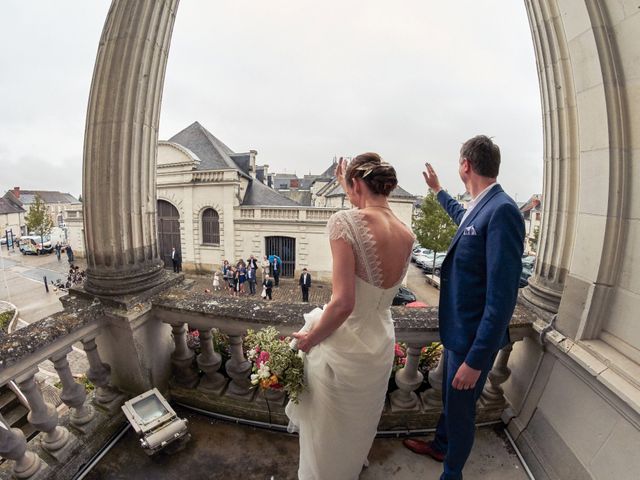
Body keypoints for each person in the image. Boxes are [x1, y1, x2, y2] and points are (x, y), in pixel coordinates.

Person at [403, 135, 525, 480]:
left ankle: (451, 473)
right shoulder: (482, 205)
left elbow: (502, 298)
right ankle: (441, 446)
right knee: (453, 405)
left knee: (461, 414)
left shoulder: (503, 211)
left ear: (466, 165)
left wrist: (475, 359)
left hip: (473, 342)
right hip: (460, 334)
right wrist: (438, 190)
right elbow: (465, 220)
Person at [286, 154, 415, 479]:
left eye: (349, 187)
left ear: (357, 184)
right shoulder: (406, 233)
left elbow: (343, 303)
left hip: (344, 344)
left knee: (327, 429)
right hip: (380, 343)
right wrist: (350, 186)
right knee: (358, 423)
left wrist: (310, 339)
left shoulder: (343, 223)